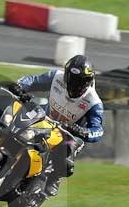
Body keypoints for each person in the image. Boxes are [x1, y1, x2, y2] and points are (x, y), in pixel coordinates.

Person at [8, 54, 104, 196]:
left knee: (66, 154)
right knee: (16, 125)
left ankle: (54, 178)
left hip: (69, 133)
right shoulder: (56, 77)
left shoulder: (94, 102)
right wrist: (20, 86)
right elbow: (33, 80)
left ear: (87, 82)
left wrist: (82, 131)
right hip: (45, 118)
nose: (73, 84)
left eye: (78, 82)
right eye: (70, 78)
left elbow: (98, 130)